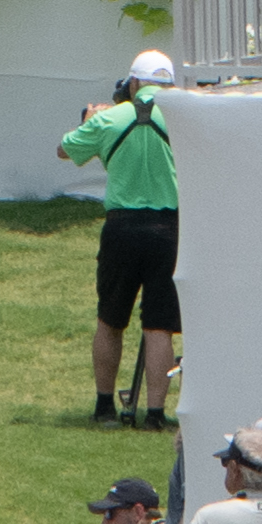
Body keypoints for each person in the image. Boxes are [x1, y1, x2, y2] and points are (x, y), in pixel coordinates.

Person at [57, 51, 183, 426]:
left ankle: (105, 406)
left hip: (122, 228)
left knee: (110, 320)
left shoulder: (111, 118)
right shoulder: (182, 120)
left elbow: (65, 149)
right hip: (168, 231)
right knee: (159, 326)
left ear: (133, 84)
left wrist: (91, 120)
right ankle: (156, 413)